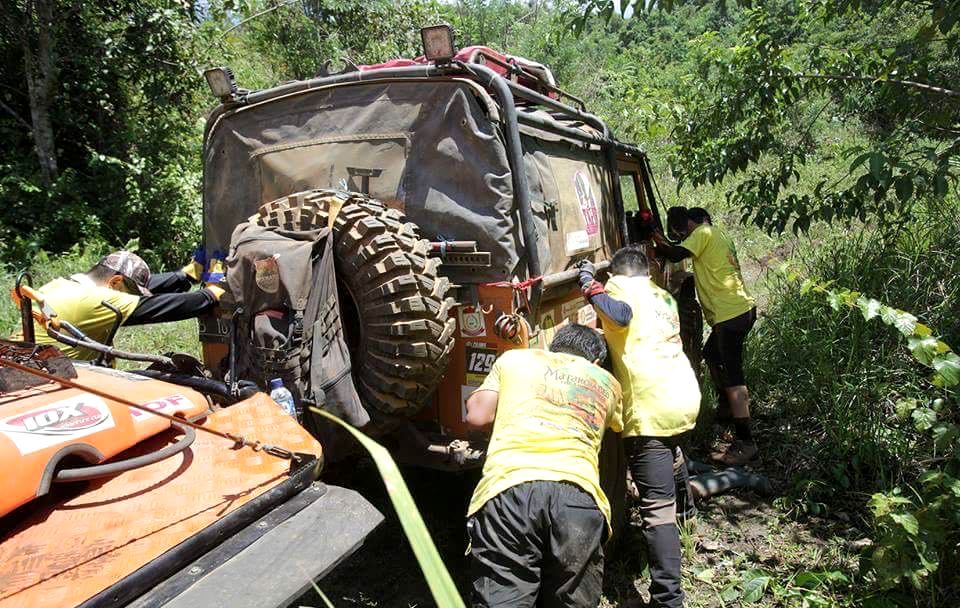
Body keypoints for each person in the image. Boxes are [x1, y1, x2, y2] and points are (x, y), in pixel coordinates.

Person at [464, 324, 623, 608]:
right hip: (579, 497)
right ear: (596, 361)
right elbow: (613, 425)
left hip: (509, 490)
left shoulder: (515, 360)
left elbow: (477, 416)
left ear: (552, 348)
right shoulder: (607, 382)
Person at [578, 247, 700, 608]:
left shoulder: (618, 291)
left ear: (615, 275)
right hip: (682, 394)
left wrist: (589, 284)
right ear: (646, 271)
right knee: (671, 452)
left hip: (650, 406)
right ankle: (688, 516)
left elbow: (619, 314)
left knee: (654, 509)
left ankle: (668, 599)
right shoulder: (661, 295)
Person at [652, 207, 758, 465]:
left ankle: (746, 440)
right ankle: (726, 407)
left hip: (729, 315)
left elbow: (676, 252)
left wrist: (655, 237)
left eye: (682, 230)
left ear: (690, 223)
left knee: (735, 375)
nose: (684, 235)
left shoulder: (702, 232)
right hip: (741, 310)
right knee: (712, 353)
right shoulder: (719, 234)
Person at [30, 250, 224, 360]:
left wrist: (183, 277)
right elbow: (158, 307)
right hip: (55, 381)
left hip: (31, 366)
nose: (129, 298)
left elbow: (136, 288)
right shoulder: (98, 300)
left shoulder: (62, 285)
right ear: (114, 282)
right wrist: (212, 292)